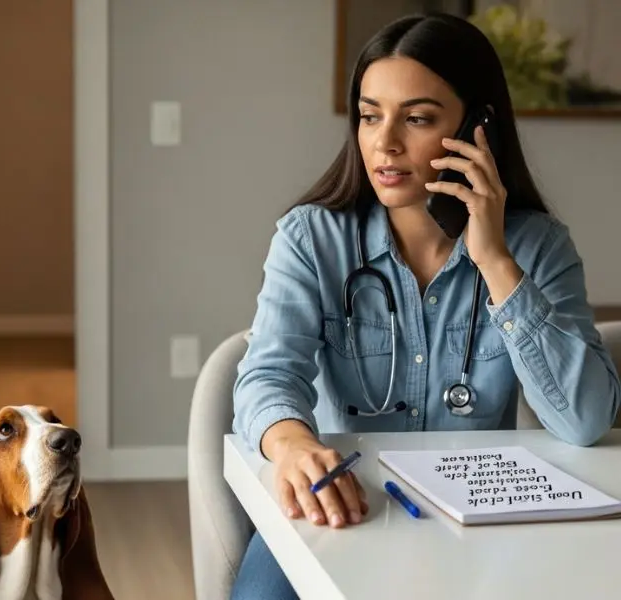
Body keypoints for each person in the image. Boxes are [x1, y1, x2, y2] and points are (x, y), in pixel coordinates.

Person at [229, 11, 621, 600]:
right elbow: (268, 374)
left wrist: (495, 261)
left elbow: (585, 421)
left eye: (416, 118)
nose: (384, 142)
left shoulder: (537, 246)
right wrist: (293, 444)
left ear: (477, 128)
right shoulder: (312, 238)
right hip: (344, 507)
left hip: (479, 527)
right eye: (370, 115)